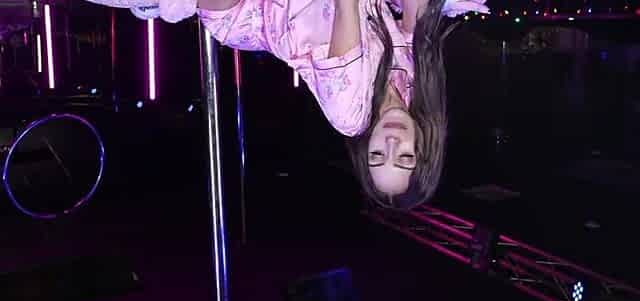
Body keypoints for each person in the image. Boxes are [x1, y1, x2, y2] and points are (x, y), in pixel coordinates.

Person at [87, 0, 489, 209]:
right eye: (404, 157)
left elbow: (345, 5)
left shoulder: (349, 113)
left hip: (251, 12)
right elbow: (416, 14)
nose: (392, 142)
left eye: (378, 156)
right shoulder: (416, 83)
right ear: (424, 148)